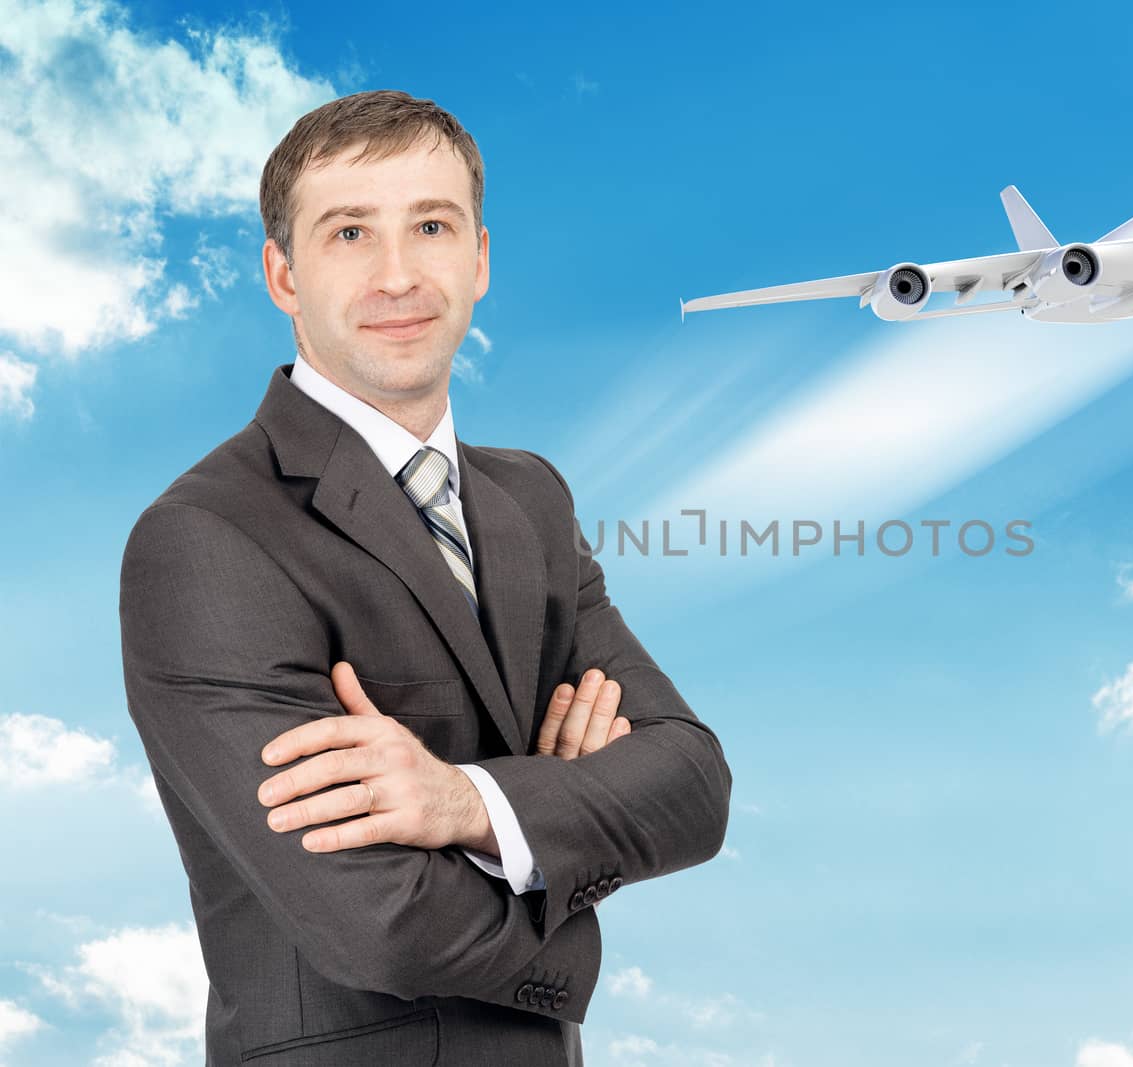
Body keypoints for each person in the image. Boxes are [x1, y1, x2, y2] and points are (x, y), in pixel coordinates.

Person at [118, 89, 732, 1066]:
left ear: (480, 257)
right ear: (283, 273)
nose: (398, 275)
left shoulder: (530, 498)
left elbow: (694, 783)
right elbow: (379, 921)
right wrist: (572, 855)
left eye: (431, 226)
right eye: (350, 232)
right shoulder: (206, 536)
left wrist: (465, 802)